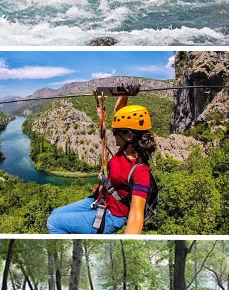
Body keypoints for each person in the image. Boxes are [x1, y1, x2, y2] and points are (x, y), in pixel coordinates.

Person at [46, 89, 156, 235]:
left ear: (129, 136)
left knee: (54, 223)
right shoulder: (124, 149)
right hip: (100, 200)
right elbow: (119, 111)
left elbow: (136, 214)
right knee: (55, 213)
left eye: (116, 132)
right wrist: (125, 94)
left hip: (112, 215)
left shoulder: (140, 171)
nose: (113, 134)